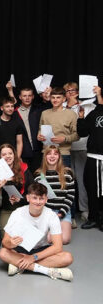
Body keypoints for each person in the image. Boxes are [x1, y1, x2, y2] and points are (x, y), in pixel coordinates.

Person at [0, 183, 73, 281]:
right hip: (20, 249)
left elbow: (58, 247)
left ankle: (19, 265)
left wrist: (32, 258)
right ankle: (46, 271)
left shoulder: (51, 215)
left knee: (67, 257)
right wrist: (11, 243)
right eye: (34, 198)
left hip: (41, 250)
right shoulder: (17, 213)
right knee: (3, 253)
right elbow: (5, 242)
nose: (38, 202)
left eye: (41, 198)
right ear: (28, 198)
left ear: (46, 199)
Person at [64, 82, 94, 223]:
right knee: (67, 181)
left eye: (73, 90)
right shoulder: (61, 106)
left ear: (77, 91)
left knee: (81, 181)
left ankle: (84, 210)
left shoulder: (86, 106)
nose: (70, 93)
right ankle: (68, 211)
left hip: (82, 147)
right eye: (67, 91)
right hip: (65, 148)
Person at [34, 146, 75, 244]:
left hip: (63, 211)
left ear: (59, 157)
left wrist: (61, 213)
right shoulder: (39, 176)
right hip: (45, 212)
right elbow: (37, 199)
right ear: (45, 156)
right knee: (44, 237)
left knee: (65, 239)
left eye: (55, 154)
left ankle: (48, 235)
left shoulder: (67, 174)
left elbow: (70, 197)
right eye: (49, 153)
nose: (52, 156)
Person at [6, 84, 50, 173]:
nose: (27, 98)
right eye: (24, 96)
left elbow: (50, 109)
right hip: (23, 153)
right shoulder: (14, 112)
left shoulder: (39, 110)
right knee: (24, 180)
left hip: (38, 152)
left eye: (29, 95)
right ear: (20, 97)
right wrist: (17, 156)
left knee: (40, 178)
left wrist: (47, 96)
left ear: (33, 97)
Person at [77, 85, 103, 231]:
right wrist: (80, 118)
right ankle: (93, 218)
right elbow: (82, 132)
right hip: (93, 157)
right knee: (91, 188)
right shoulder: (94, 113)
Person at [0, 144, 33, 232]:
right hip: (6, 209)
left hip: (22, 207)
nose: (7, 156)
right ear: (0, 157)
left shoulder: (24, 169)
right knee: (6, 235)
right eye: (4, 154)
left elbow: (32, 192)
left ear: (14, 155)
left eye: (10, 153)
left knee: (23, 235)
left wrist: (20, 200)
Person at [38, 87, 79, 168]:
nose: (55, 100)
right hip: (46, 153)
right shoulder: (44, 113)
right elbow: (40, 129)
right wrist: (39, 136)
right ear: (50, 98)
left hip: (63, 153)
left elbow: (77, 135)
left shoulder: (71, 114)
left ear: (64, 99)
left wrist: (64, 139)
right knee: (44, 179)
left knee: (64, 179)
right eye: (53, 97)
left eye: (58, 97)